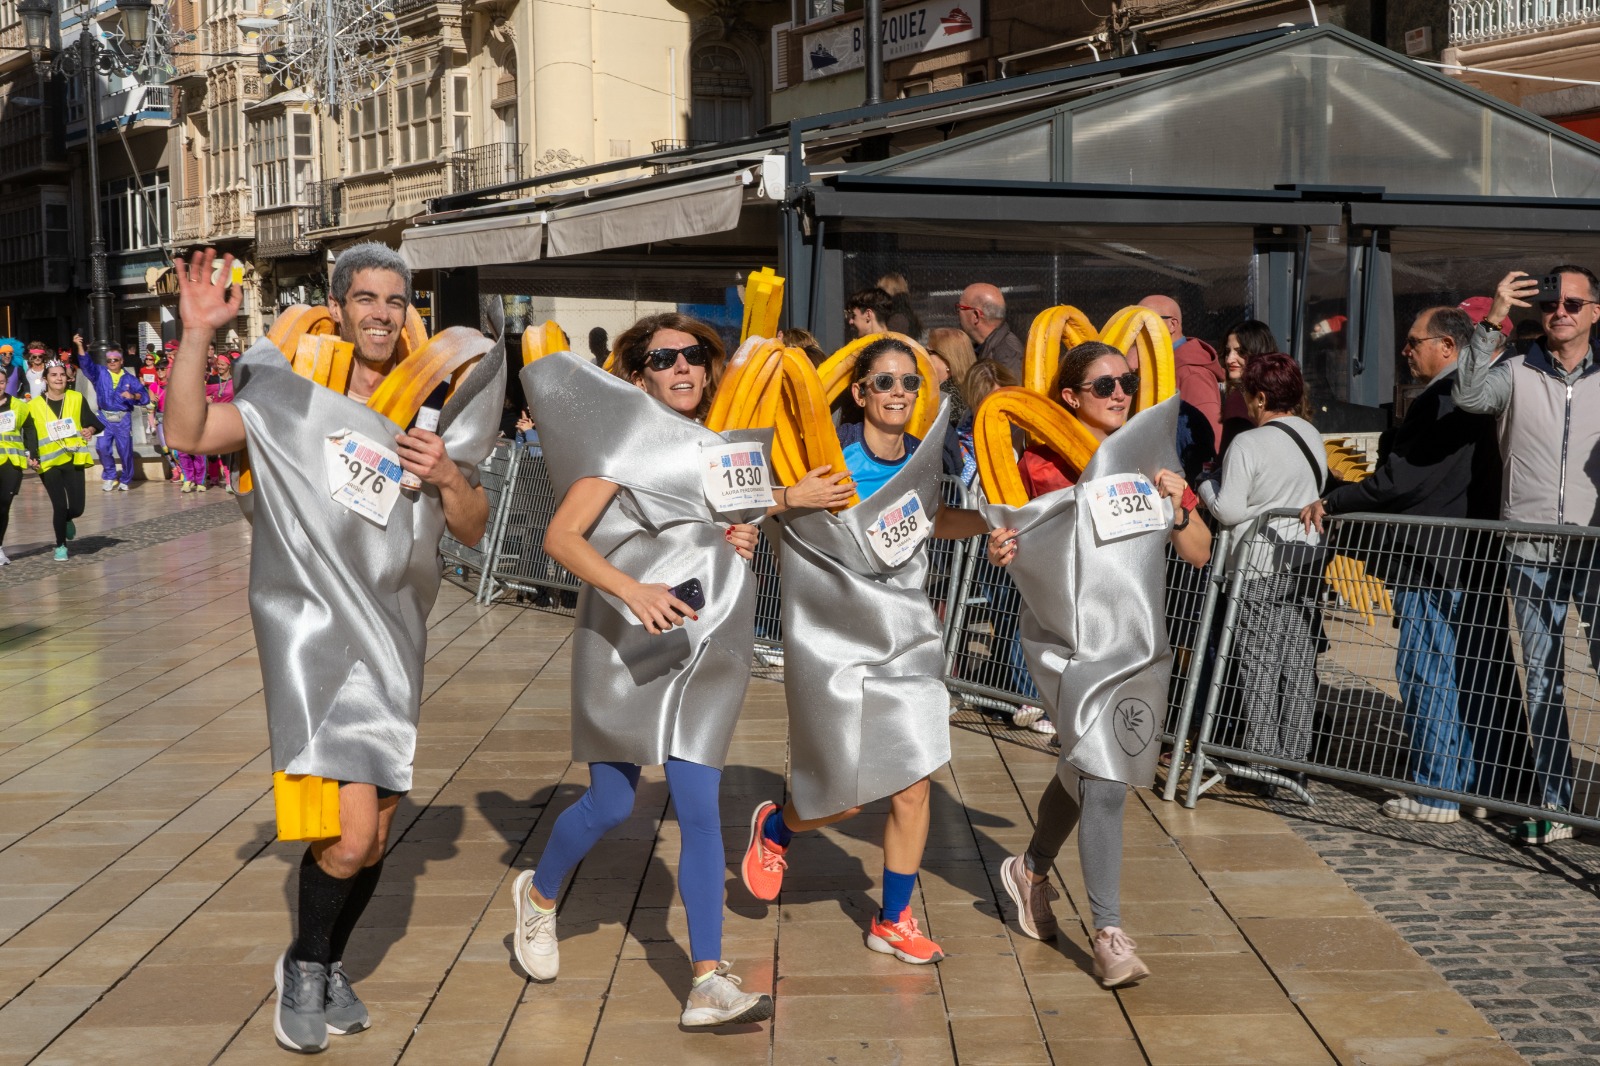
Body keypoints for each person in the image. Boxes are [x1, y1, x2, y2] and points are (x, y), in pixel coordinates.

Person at [167, 243, 503, 1054]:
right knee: (350, 838)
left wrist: (447, 476)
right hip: (313, 629)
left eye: (394, 299)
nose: (381, 313)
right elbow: (190, 430)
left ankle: (327, 963)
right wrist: (197, 334)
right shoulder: (294, 397)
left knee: (376, 836)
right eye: (365, 298)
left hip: (395, 629)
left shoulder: (433, 405)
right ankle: (304, 966)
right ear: (339, 306)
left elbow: (472, 527)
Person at [511, 313, 849, 1027]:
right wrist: (633, 591)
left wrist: (779, 506)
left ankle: (707, 980)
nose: (683, 367)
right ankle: (538, 898)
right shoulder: (622, 440)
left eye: (693, 355)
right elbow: (561, 537)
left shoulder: (725, 447)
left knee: (699, 807)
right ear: (639, 378)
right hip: (625, 639)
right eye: (664, 359)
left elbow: (722, 511)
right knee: (612, 804)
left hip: (709, 639)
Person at [740, 336, 988, 966]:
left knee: (913, 784)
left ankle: (893, 919)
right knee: (843, 799)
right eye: (884, 382)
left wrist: (993, 524)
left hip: (909, 639)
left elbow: (930, 522)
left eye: (909, 383)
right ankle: (777, 827)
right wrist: (788, 498)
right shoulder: (828, 459)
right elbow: (734, 502)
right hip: (836, 644)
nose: (898, 393)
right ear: (859, 392)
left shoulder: (925, 457)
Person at [988, 340, 1209, 989]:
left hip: (1136, 640)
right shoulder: (1038, 464)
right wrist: (1003, 545)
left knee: (1083, 768)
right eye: (1104, 385)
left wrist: (1180, 504)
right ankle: (1109, 933)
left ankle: (1030, 869)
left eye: (1126, 383)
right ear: (1070, 397)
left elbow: (1199, 551)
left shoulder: (1149, 456)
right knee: (1106, 780)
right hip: (1068, 643)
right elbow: (1013, 539)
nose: (1120, 394)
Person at [1302, 308, 1503, 823]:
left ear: (1448, 346)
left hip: (1432, 559)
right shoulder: (1459, 396)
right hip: (1458, 557)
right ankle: (1463, 785)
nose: (1406, 350)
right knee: (1456, 676)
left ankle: (1437, 792)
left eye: (1414, 341)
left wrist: (1335, 500)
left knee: (1426, 673)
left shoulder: (1444, 397)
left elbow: (1402, 480)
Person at [1455, 266, 1600, 845]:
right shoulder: (1515, 371)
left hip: (1595, 550)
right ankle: (1557, 804)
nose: (1558, 311)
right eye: (1550, 303)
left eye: (1572, 303)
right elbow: (1468, 394)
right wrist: (1494, 319)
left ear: (1595, 312)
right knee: (1543, 680)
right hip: (1530, 547)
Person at [1197, 353, 1326, 779]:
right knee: (1298, 665)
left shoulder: (1247, 444)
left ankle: (1265, 763)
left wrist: (1205, 485)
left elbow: (1229, 510)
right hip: (1305, 561)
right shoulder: (1311, 434)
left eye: (1246, 395)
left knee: (1259, 667)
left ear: (1261, 398)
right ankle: (1295, 762)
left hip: (1258, 566)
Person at [21, 360, 101, 560]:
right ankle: (60, 546)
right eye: (54, 375)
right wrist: (32, 456)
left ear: (68, 378)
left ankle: (67, 519)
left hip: (73, 458)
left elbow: (92, 422)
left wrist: (89, 430)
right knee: (59, 505)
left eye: (62, 374)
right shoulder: (34, 405)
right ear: (45, 379)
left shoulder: (76, 398)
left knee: (77, 507)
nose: (59, 378)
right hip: (48, 462)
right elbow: (30, 435)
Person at [1139, 295, 1222, 453]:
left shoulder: (1191, 373)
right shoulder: (1167, 366)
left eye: (1145, 321)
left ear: (1172, 324)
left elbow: (1212, 437)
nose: (1137, 329)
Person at [81, 348, 150, 491]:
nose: (112, 362)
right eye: (109, 360)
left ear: (121, 361)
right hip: (104, 417)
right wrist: (80, 346)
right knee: (102, 447)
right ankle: (110, 476)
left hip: (123, 419)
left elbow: (144, 397)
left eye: (115, 360)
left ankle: (125, 478)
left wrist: (133, 396)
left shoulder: (130, 379)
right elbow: (86, 365)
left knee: (125, 450)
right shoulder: (100, 373)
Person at [1217, 320, 1279, 457]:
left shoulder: (1239, 398)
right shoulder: (1284, 393)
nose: (1229, 359)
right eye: (1227, 352)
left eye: (1240, 352)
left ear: (1258, 353)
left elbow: (1230, 458)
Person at [958, 283, 1023, 379]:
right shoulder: (983, 348)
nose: (958, 313)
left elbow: (1012, 389)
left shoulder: (1008, 356)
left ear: (976, 315)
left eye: (960, 308)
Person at [0, 384, 27, 564]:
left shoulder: (18, 405)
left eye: (1, 382)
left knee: (4, 504)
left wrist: (32, 451)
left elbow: (30, 427)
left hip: (11, 460)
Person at [878, 271, 921, 337]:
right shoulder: (904, 313)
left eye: (881, 290)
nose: (878, 294)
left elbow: (889, 341)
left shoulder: (897, 318)